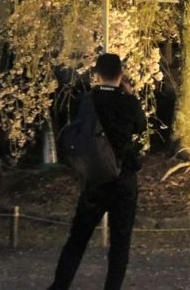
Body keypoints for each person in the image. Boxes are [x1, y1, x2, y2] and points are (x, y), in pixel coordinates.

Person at [48, 53, 147, 290]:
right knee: (120, 241)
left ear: (97, 75)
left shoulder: (86, 101)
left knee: (78, 238)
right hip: (124, 179)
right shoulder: (128, 102)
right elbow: (141, 127)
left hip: (96, 179)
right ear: (121, 75)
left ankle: (59, 286)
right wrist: (130, 95)